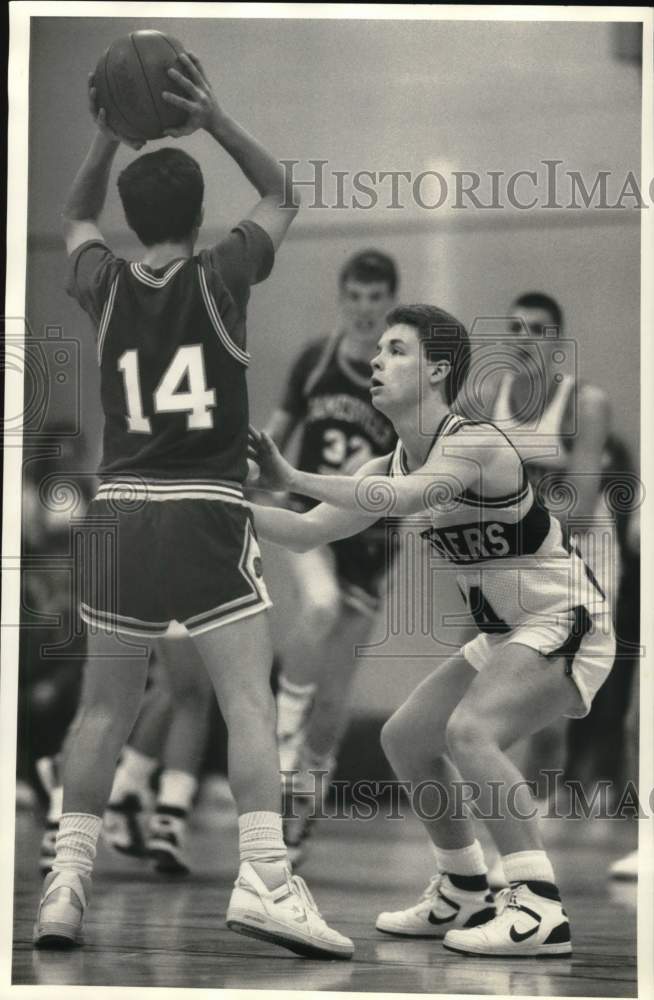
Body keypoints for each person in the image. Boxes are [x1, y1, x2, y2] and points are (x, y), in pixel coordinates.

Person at [32, 54, 353, 961]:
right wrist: (211, 116)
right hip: (206, 508)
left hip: (121, 510)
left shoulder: (102, 283)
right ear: (196, 216)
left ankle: (65, 887)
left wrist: (104, 132)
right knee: (247, 704)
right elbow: (283, 191)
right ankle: (265, 879)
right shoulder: (222, 277)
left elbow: (74, 217)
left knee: (102, 713)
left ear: (134, 222)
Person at [248, 303, 615, 958]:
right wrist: (222, 509)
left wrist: (292, 477)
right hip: (506, 633)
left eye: (395, 350)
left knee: (468, 732)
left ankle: (538, 909)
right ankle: (464, 888)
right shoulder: (384, 464)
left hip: (564, 619)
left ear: (438, 369)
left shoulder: (472, 442)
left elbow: (409, 499)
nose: (377, 362)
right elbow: (307, 530)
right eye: (378, 351)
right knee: (408, 737)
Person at [264, 250, 398, 860]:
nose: (365, 308)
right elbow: (276, 430)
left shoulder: (401, 373)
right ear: (342, 298)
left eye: (376, 297)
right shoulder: (316, 361)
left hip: (369, 536)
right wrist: (245, 471)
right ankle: (283, 729)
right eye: (356, 295)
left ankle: (303, 807)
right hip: (309, 518)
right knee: (316, 605)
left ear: (390, 301)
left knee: (338, 693)